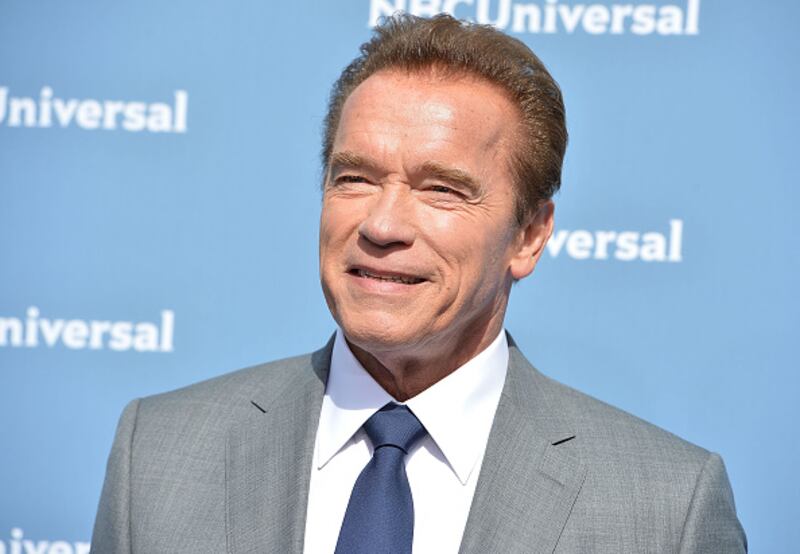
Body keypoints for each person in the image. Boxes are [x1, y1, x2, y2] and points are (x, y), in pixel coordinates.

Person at [91, 13, 747, 554]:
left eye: (441, 190)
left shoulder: (665, 510)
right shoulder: (157, 454)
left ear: (529, 236)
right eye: (354, 178)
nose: (381, 224)